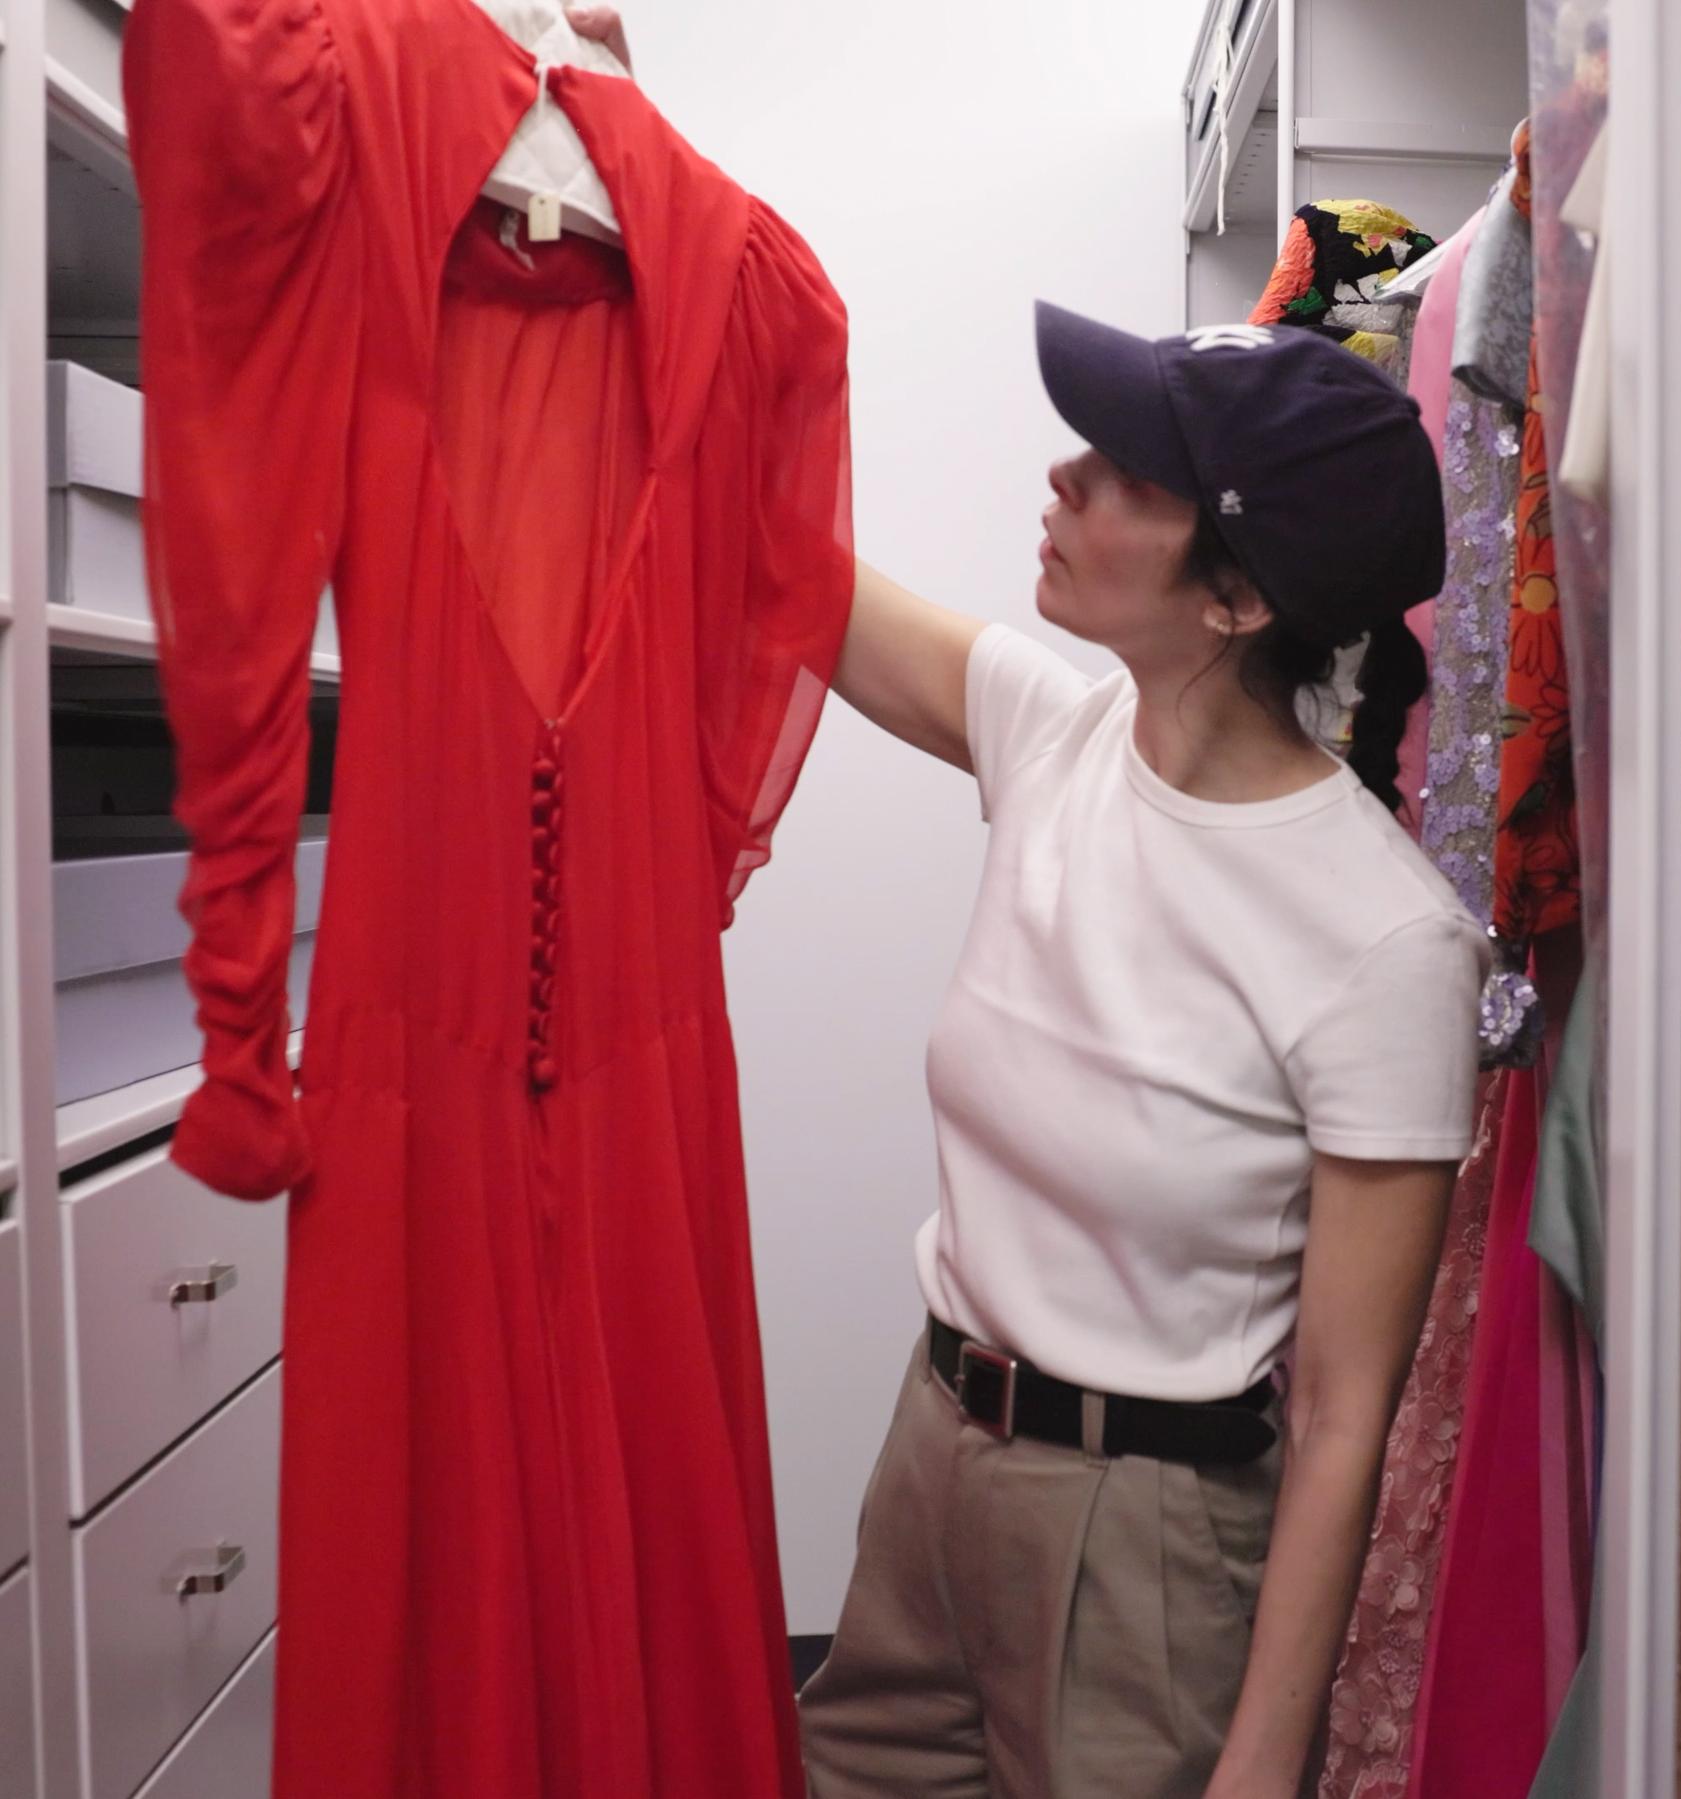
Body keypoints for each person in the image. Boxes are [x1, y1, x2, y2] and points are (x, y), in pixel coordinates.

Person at [567, 14, 1486, 1797]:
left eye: (1123, 476)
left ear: (1235, 600)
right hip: (934, 1462)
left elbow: (1349, 1419)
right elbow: (776, 558)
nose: (1059, 482)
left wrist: (1259, 1763)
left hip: (1150, 1549)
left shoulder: (1386, 943)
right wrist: (622, 166)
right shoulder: (1058, 726)